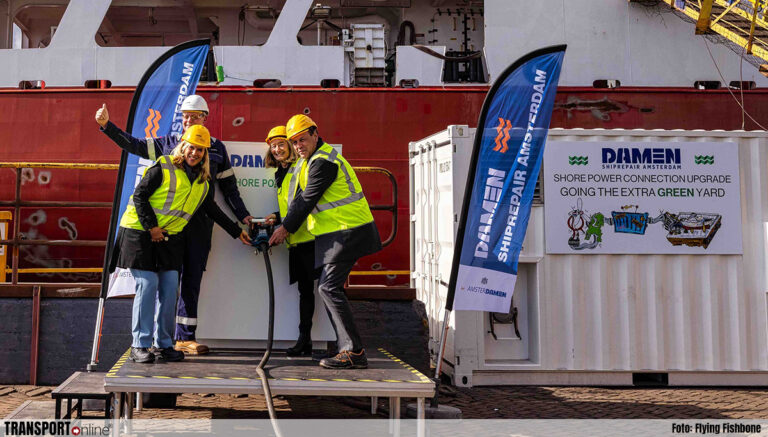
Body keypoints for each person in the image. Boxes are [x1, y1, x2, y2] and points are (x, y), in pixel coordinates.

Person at [96, 95, 253, 356]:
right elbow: (134, 150)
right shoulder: (166, 150)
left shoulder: (212, 159)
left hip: (185, 230)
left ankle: (173, 341)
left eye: (195, 116)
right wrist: (107, 126)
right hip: (150, 231)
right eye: (185, 116)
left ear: (205, 117)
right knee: (150, 285)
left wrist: (240, 226)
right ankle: (143, 343)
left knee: (177, 284)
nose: (194, 152)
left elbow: (221, 197)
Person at [269, 115, 382, 369]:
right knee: (330, 288)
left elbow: (308, 199)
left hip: (349, 230)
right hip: (337, 233)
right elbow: (297, 201)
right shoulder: (307, 162)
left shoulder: (323, 162)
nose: (298, 146)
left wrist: (284, 230)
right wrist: (277, 221)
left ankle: (353, 351)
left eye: (302, 140)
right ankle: (347, 349)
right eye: (294, 142)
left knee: (328, 287)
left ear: (315, 134)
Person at [263, 125, 319, 357]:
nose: (277, 149)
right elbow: (290, 205)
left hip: (310, 238)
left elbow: (304, 203)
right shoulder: (281, 173)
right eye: (273, 146)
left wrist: (283, 227)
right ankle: (304, 341)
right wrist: (275, 217)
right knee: (305, 292)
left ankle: (309, 340)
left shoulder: (301, 167)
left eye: (281, 144)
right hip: (296, 239)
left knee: (321, 291)